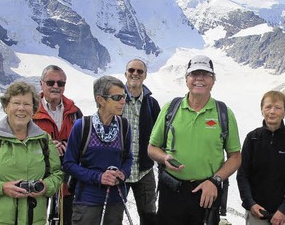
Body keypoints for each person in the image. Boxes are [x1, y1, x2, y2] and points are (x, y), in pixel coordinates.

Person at [147, 54, 242, 225]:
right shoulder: (171, 109)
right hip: (171, 191)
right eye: (194, 74)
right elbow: (152, 148)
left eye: (205, 74)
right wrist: (163, 158)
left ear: (213, 80)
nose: (199, 78)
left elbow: (235, 157)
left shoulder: (224, 113)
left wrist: (215, 181)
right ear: (186, 79)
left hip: (207, 193)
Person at [0, 81, 64, 225]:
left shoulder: (43, 140)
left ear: (34, 109)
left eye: (27, 104)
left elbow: (57, 174)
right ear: (6, 107)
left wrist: (46, 186)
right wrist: (1, 187)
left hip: (34, 220)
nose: (21, 108)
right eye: (16, 103)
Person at [63, 75, 133, 225]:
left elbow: (128, 158)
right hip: (87, 201)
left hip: (116, 200)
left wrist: (123, 173)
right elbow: (68, 164)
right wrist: (98, 177)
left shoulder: (124, 126)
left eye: (124, 96)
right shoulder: (82, 126)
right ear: (100, 100)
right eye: (117, 97)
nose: (123, 101)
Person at [237, 90, 285, 225]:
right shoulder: (252, 138)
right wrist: (250, 204)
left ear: (284, 111)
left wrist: (284, 208)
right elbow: (242, 175)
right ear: (262, 110)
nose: (272, 111)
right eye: (268, 107)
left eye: (278, 107)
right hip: (257, 212)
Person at [32, 65, 82, 225]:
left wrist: (69, 145)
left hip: (67, 182)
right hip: (37, 180)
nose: (56, 86)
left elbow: (83, 143)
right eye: (51, 82)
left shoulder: (75, 113)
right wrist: (45, 146)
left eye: (60, 83)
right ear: (41, 84)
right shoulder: (29, 111)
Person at [122, 59, 160, 224]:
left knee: (149, 217)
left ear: (145, 76)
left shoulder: (152, 104)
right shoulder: (114, 100)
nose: (135, 74)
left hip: (144, 171)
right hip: (118, 171)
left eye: (139, 71)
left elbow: (160, 137)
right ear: (125, 73)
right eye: (131, 70)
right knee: (112, 216)